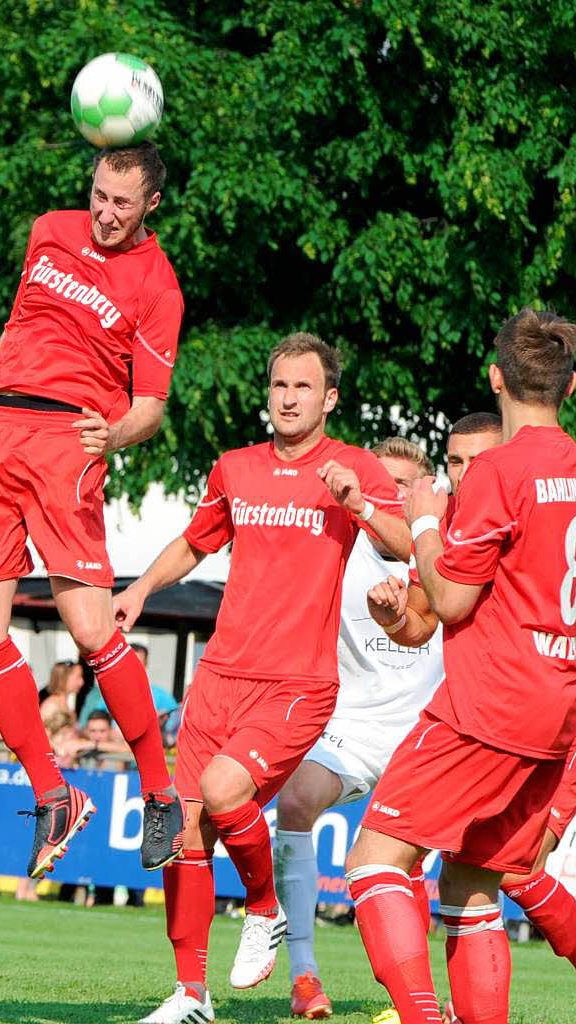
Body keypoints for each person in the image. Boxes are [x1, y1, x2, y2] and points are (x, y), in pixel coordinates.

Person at [116, 332, 411, 1024]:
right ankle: (191, 994)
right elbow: (196, 540)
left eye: (302, 387)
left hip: (295, 683)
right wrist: (138, 590)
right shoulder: (234, 468)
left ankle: (263, 909)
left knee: (224, 792)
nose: (287, 398)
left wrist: (360, 505)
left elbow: (407, 545)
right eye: (279, 386)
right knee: (185, 827)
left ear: (329, 398)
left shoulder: (352, 466)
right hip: (219, 675)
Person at [344, 308, 576, 1024]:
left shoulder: (497, 471)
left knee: (375, 861)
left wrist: (427, 518)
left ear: (496, 376)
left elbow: (451, 599)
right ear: (571, 382)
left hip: (485, 705)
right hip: (553, 715)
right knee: (470, 885)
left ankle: (418, 1015)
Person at [0, 141, 185, 878]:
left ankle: (159, 791)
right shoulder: (48, 228)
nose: (104, 213)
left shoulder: (159, 286)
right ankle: (54, 795)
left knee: (90, 626)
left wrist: (111, 434)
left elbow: (149, 407)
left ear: (151, 204)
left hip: (63, 441)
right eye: (97, 195)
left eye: (121, 203)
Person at [273, 437, 441, 1021]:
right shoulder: (339, 549)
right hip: (351, 728)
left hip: (425, 732)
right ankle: (304, 978)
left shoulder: (442, 551)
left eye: (401, 485)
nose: (387, 494)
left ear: (419, 492)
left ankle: (414, 1001)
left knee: (404, 864)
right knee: (294, 803)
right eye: (378, 481)